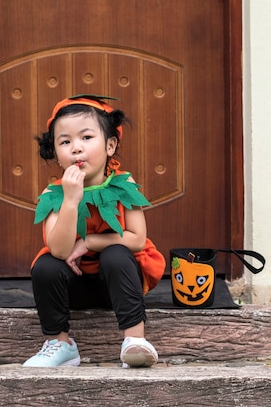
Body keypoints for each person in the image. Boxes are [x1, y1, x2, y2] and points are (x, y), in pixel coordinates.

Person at [23, 95, 165, 368]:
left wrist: (88, 242)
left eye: (86, 137)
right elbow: (60, 250)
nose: (76, 148)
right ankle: (60, 344)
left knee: (116, 253)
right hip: (73, 286)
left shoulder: (124, 185)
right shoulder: (54, 194)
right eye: (65, 142)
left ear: (110, 145)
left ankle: (135, 340)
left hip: (118, 285)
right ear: (55, 151)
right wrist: (71, 200)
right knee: (45, 266)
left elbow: (136, 239)